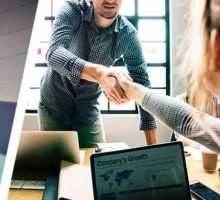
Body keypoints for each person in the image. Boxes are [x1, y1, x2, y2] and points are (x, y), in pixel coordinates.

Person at [39, 0, 157, 148]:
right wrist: (100, 73)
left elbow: (142, 84)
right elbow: (54, 53)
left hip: (87, 111)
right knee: (55, 168)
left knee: (97, 166)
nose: (110, 0)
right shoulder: (72, 10)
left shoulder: (128, 35)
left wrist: (153, 147)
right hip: (53, 105)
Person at [108, 0, 220, 154]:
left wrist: (132, 89)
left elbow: (189, 122)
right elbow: (189, 121)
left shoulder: (128, 32)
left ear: (215, 45)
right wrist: (133, 89)